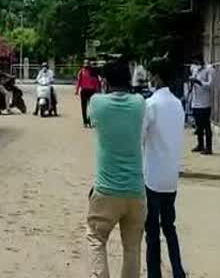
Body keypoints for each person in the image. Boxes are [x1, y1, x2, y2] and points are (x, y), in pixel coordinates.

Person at [86, 59, 146, 278]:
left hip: (106, 190)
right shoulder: (139, 103)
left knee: (96, 239)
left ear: (105, 81)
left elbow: (93, 121)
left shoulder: (97, 103)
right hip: (136, 191)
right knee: (132, 250)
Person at [143, 58, 187, 278]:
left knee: (151, 231)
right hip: (171, 176)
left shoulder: (151, 104)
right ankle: (178, 270)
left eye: (151, 75)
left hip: (152, 176)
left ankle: (154, 274)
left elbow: (140, 138)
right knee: (169, 227)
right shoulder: (177, 103)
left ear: (157, 77)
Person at [189, 57, 213, 154]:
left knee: (206, 126)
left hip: (205, 103)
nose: (195, 65)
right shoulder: (194, 70)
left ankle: (208, 147)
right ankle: (200, 144)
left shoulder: (209, 70)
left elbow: (210, 85)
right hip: (195, 103)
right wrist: (192, 80)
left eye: (197, 62)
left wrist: (199, 82)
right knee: (198, 126)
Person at [76, 63, 100, 128]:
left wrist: (77, 90)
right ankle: (88, 120)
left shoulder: (81, 71)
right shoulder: (92, 72)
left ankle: (85, 122)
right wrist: (97, 90)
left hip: (85, 91)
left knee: (84, 107)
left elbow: (79, 81)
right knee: (91, 107)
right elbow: (96, 82)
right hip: (91, 91)